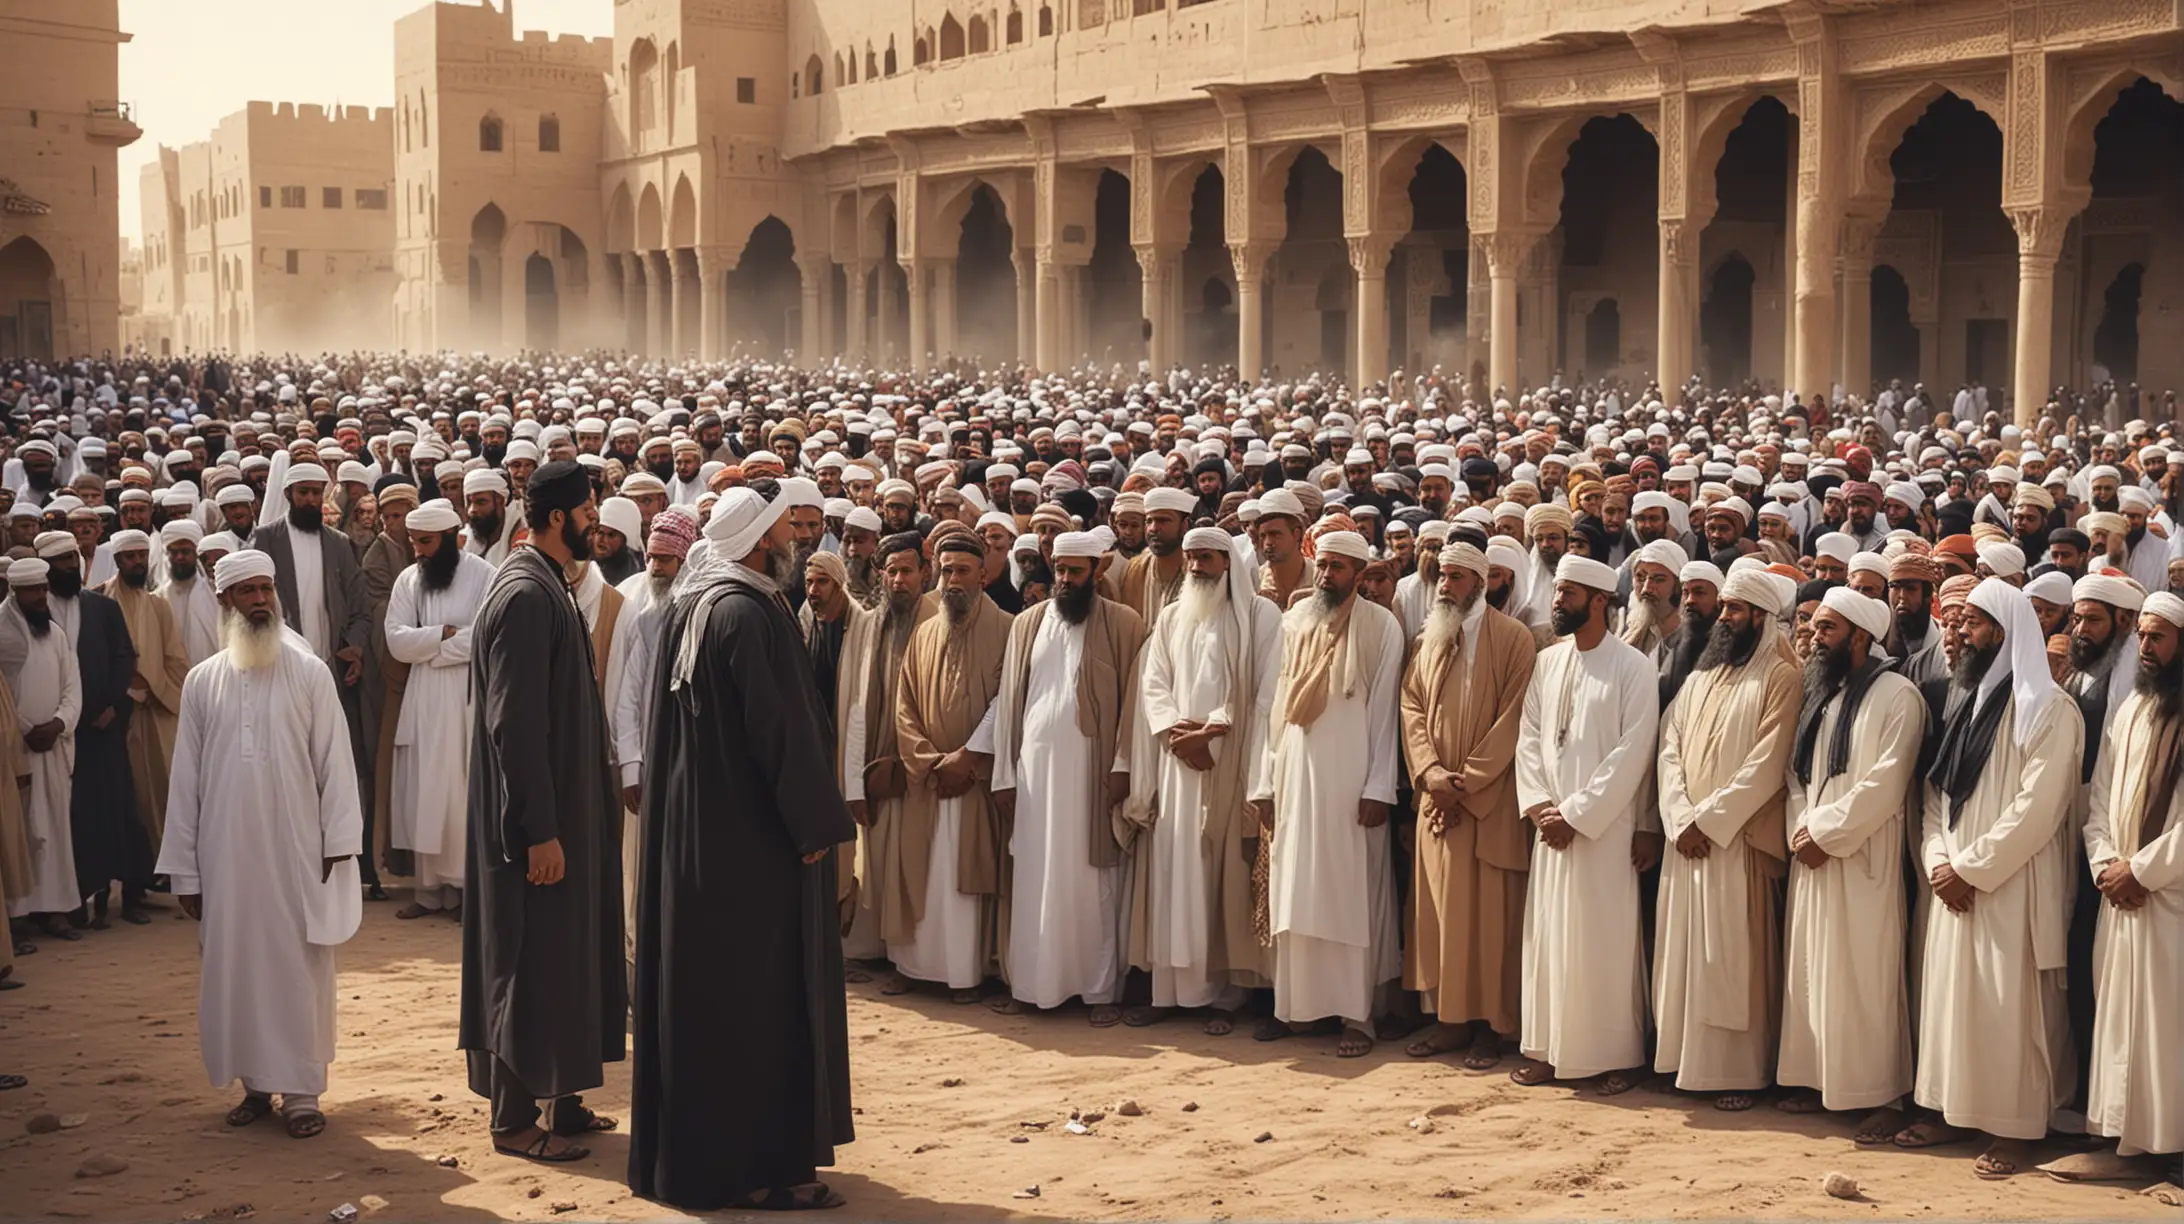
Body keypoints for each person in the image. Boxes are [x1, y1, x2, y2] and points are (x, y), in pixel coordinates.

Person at [628, 485, 857, 1212]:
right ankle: (756, 1171)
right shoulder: (747, 611)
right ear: (762, 542)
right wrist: (815, 827)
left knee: (711, 1005)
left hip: (697, 849)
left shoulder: (696, 604)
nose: (793, 542)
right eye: (786, 532)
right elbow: (782, 733)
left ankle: (706, 1164)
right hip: (751, 854)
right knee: (756, 1009)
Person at [157, 551, 363, 1141]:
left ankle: (302, 1093)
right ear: (224, 601)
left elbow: (336, 764)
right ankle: (254, 1084)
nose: (258, 600)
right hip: (225, 858)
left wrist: (340, 842)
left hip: (298, 852)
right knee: (236, 969)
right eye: (244, 591)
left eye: (265, 589)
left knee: (299, 967)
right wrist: (186, 874)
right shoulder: (202, 681)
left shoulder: (310, 672)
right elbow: (187, 782)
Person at [459, 459, 625, 1164]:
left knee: (568, 958)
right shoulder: (526, 595)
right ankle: (515, 1122)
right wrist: (540, 831)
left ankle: (565, 1095)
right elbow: (515, 726)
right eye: (588, 511)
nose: (597, 522)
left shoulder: (545, 583)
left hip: (566, 816)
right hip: (538, 828)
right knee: (527, 964)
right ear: (559, 518)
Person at [1902, 577, 2083, 1177]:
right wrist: (1938, 860)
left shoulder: (2049, 709)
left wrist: (1971, 869)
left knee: (2012, 1009)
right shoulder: (1968, 701)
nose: (1958, 632)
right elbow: (1937, 796)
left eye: (1972, 624)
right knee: (1955, 1003)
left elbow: (2038, 808)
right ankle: (1952, 1110)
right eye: (1959, 623)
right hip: (1956, 879)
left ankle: (2016, 1126)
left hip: (2011, 884)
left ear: (2001, 633)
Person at [1774, 587, 1926, 1136]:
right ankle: (1820, 1080)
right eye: (1816, 628)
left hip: (1864, 858)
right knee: (1816, 970)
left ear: (1861, 636)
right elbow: (1798, 774)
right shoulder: (1824, 692)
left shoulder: (1899, 696)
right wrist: (1802, 826)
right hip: (1812, 852)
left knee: (1866, 977)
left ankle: (1879, 1092)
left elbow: (1884, 785)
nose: (1815, 638)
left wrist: (1826, 831)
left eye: (1828, 630)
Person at [1651, 568, 1800, 1110]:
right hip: (1686, 839)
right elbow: (1669, 747)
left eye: (1736, 610)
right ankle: (1682, 1061)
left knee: (1733, 958)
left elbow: (1767, 764)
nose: (1726, 618)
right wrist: (1679, 816)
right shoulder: (1699, 677)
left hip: (1733, 844)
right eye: (1726, 609)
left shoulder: (1783, 678)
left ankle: (1739, 1073)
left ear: (1760, 618)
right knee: (1685, 955)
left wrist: (1709, 823)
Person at [1510, 554, 1659, 1093]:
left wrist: (1576, 814)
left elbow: (1633, 751)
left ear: (1600, 601)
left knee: (1603, 942)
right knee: (1550, 937)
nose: (1557, 601)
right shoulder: (1548, 661)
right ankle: (1551, 1049)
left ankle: (1612, 1056)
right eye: (1557, 592)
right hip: (1550, 826)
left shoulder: (1633, 666)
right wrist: (1539, 805)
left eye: (1568, 594)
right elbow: (1529, 736)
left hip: (1603, 830)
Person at [1252, 530, 1404, 1058]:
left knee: (1348, 894)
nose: (1326, 576)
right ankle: (1300, 1009)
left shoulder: (1382, 626)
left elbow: (1385, 714)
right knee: (1297, 890)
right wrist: (1264, 780)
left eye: (1339, 568)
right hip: (1294, 773)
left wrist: (1379, 786)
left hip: (1352, 780)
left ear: (1359, 576)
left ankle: (1356, 1016)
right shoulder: (1292, 622)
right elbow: (1269, 708)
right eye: (1323, 566)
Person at [988, 531, 1146, 1023]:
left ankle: (1099, 992)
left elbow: (1133, 706)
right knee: (1036, 876)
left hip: (1094, 774)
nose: (1065, 580)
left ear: (1096, 572)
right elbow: (1011, 699)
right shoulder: (1028, 623)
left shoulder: (1124, 623)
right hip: (1034, 773)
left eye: (1076, 572)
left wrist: (1124, 767)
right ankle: (1034, 984)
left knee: (1093, 881)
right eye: (1060, 570)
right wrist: (1003, 774)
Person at [1128, 527, 1279, 1034]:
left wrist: (1213, 731)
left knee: (1220, 877)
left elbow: (1264, 692)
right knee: (1175, 872)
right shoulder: (1171, 616)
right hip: (1178, 764)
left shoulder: (1259, 615)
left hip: (1228, 762)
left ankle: (1224, 996)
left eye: (1207, 558)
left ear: (1228, 562)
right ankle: (1172, 991)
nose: (1195, 566)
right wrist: (1175, 733)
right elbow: (1154, 683)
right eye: (1191, 558)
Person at [1399, 541, 1537, 1069]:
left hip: (1490, 803)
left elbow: (1515, 717)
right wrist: (1431, 775)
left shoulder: (1513, 638)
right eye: (1441, 575)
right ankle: (1449, 1021)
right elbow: (1411, 706)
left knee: (1490, 921)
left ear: (1482, 583)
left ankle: (1492, 1028)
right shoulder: (1430, 638)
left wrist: (1468, 785)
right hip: (1438, 804)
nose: (1444, 585)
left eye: (1457, 577)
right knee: (1440, 918)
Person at [880, 535, 1011, 1001]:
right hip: (930, 780)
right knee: (923, 871)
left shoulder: (1008, 628)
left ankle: (966, 975)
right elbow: (905, 705)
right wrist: (931, 762)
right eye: (946, 571)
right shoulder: (924, 630)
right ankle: (916, 966)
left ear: (984, 575)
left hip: (973, 780)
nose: (951, 581)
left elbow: (1006, 702)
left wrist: (969, 758)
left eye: (962, 572)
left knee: (965, 881)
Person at [2080, 592, 2182, 1168]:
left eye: (2158, 637)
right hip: (2119, 892)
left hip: (2170, 896)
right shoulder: (2131, 710)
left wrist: (2142, 869)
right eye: (2140, 635)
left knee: (2170, 1028)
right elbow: (2098, 801)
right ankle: (2131, 1140)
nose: (2145, 646)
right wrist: (2106, 864)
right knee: (2123, 1021)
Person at [247, 464, 377, 898]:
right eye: (302, 493)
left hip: (331, 679)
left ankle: (344, 858)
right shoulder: (264, 541)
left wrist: (354, 648)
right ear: (288, 494)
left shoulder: (339, 545)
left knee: (336, 766)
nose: (309, 500)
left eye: (315, 493)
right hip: (277, 673)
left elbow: (360, 609)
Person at [384, 500, 493, 919]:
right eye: (413, 542)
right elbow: (396, 640)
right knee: (425, 789)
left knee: (460, 789)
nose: (418, 551)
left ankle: (467, 892)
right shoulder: (409, 579)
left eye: (425, 542)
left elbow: (485, 636)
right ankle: (429, 891)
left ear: (449, 537)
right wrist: (444, 636)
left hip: (465, 698)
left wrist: (431, 648)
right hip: (424, 697)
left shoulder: (484, 575)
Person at [36, 532, 145, 927]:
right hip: (52, 735)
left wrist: (113, 706)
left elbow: (124, 658)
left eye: (72, 558)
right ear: (45, 567)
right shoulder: (33, 611)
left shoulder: (102, 608)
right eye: (61, 560)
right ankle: (68, 901)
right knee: (65, 818)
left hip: (100, 729)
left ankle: (115, 895)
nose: (69, 565)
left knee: (110, 810)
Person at [837, 533, 934, 971]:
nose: (898, 580)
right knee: (876, 862)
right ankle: (881, 953)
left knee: (919, 865)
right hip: (879, 766)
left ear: (924, 574)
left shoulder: (938, 618)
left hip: (923, 769)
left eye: (907, 571)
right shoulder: (871, 623)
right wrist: (855, 780)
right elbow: (857, 703)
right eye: (891, 572)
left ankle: (914, 960)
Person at [0, 559, 81, 941]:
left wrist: (58, 724)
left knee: (55, 830)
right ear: (14, 593)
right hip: (16, 750)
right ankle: (18, 916)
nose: (39, 597)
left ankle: (56, 910)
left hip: (53, 745)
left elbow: (72, 685)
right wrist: (27, 729)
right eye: (31, 591)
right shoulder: (3, 634)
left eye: (42, 590)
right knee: (23, 834)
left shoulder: (56, 633)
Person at [97, 529, 188, 860]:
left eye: (141, 556)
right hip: (111, 715)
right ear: (118, 560)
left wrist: (153, 690)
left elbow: (176, 660)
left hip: (153, 709)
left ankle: (161, 864)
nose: (137, 562)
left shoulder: (159, 607)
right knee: (118, 793)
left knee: (158, 788)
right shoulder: (97, 601)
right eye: (130, 557)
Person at [155, 520, 220, 667]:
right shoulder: (158, 598)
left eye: (185, 552)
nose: (179, 558)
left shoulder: (214, 593)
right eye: (174, 552)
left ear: (196, 553)